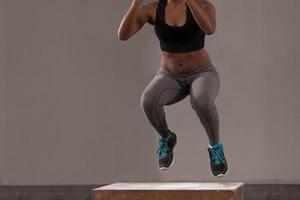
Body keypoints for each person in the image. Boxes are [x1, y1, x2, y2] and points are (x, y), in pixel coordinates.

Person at [118, 0, 228, 177]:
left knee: (200, 100)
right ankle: (167, 138)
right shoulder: (153, 9)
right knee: (148, 101)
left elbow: (210, 29)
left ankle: (215, 147)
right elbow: (123, 35)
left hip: (202, 73)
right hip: (169, 76)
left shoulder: (205, 6)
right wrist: (136, 3)